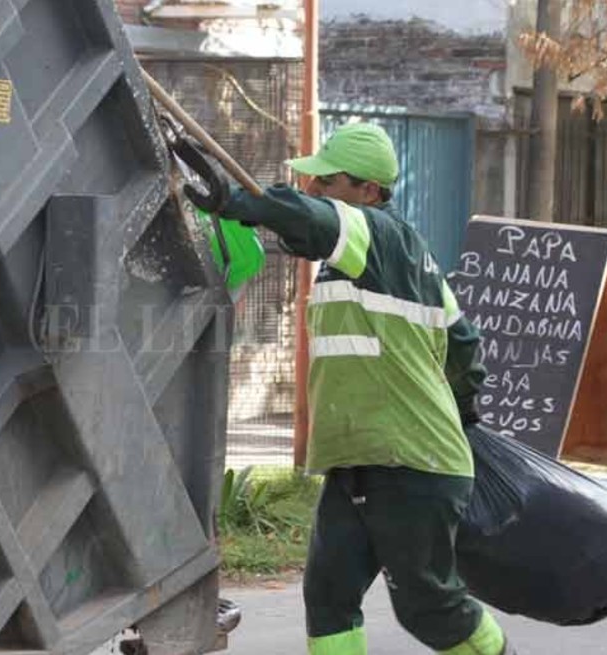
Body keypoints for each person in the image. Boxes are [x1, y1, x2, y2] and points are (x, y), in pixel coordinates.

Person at [185, 123, 515, 655]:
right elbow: (465, 351)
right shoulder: (402, 263)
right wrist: (460, 410)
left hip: (413, 463)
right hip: (360, 461)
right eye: (313, 180)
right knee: (329, 597)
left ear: (369, 191)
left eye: (328, 181)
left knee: (429, 608)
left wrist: (239, 202)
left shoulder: (378, 234)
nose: (314, 189)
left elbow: (313, 219)